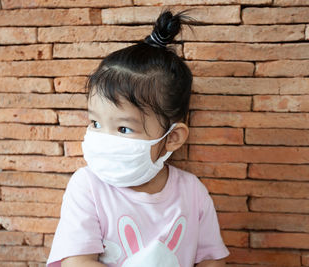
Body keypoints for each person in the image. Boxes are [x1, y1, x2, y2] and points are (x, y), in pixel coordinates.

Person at [47, 10, 229, 267]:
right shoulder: (87, 187)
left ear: (173, 137)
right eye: (96, 123)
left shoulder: (192, 193)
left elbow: (212, 260)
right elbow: (76, 262)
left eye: (123, 129)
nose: (103, 139)